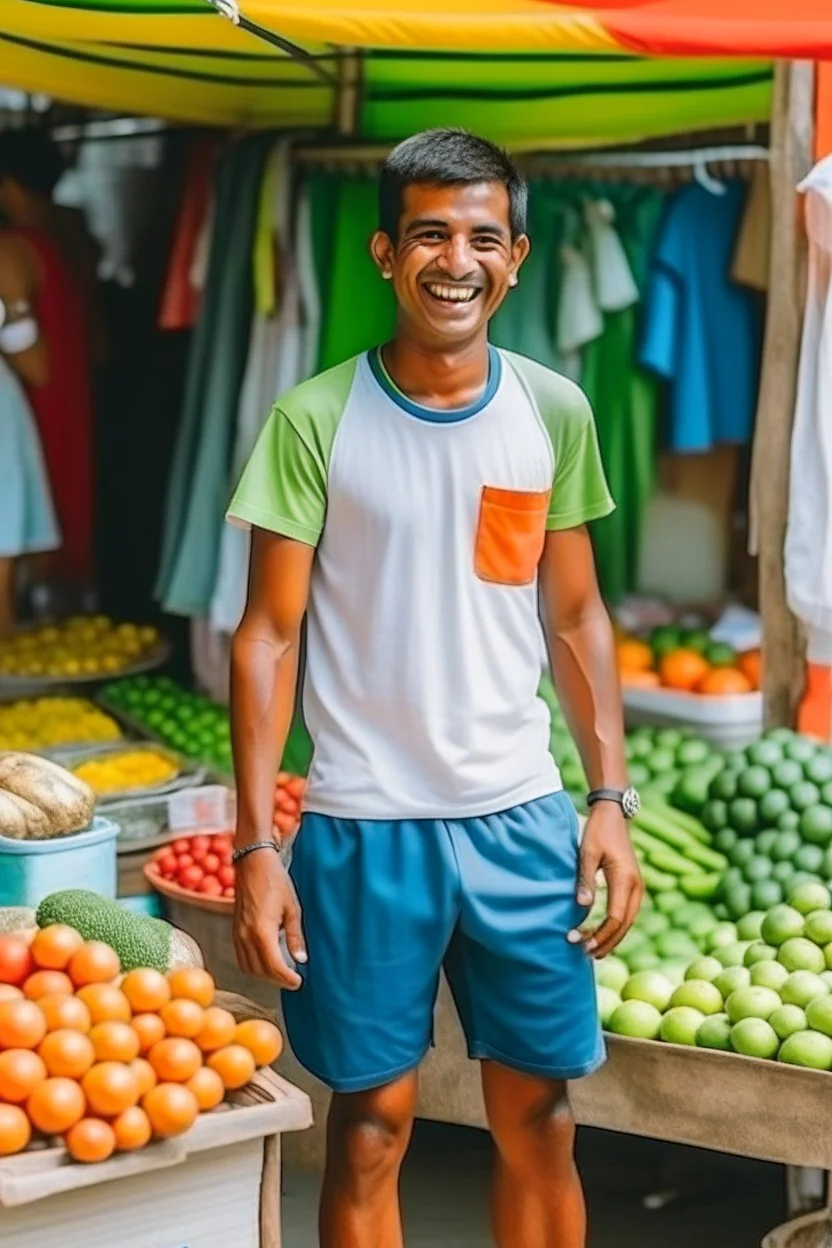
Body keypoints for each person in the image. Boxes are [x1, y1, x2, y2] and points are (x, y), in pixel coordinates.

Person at [228, 128, 643, 1248]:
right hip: (363, 828)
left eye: (478, 237)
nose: (453, 260)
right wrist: (256, 847)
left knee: (542, 1119)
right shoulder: (314, 419)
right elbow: (266, 636)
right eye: (428, 235)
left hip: (518, 817)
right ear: (382, 253)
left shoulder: (553, 410)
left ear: (513, 256)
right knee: (367, 1127)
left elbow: (574, 615)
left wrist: (608, 802)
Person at [0, 128, 97, 607]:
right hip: (74, 393)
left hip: (37, 407)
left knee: (29, 522)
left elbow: (34, 365)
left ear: (9, 187)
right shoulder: (69, 232)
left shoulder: (12, 249)